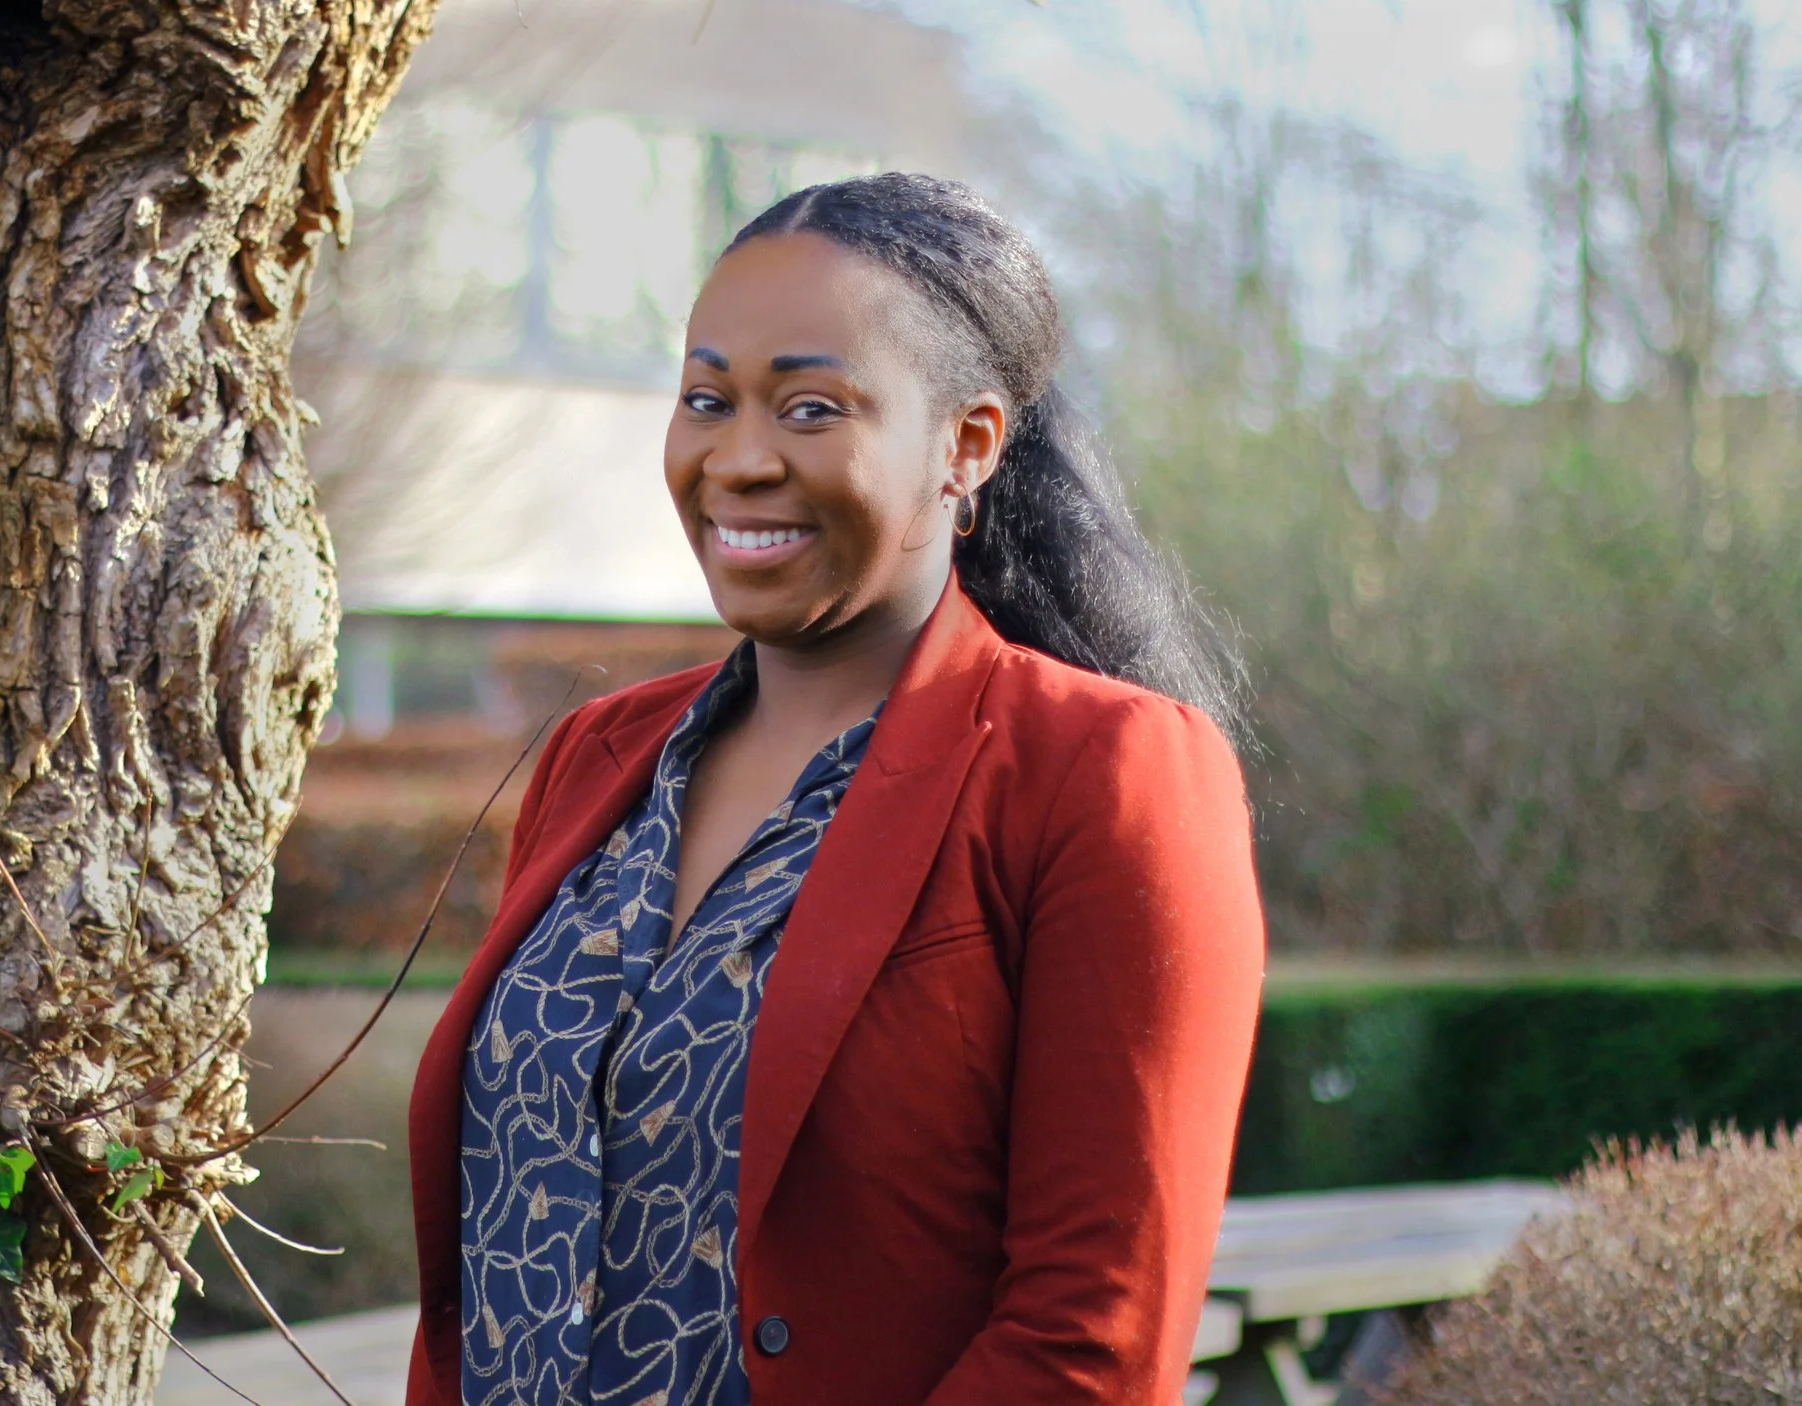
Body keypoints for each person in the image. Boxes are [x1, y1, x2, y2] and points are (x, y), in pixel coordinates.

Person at [402, 172, 1266, 1406]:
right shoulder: (598, 759)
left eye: (811, 408)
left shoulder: (1101, 770)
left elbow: (1094, 1334)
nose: (738, 459)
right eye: (708, 399)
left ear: (966, 444)